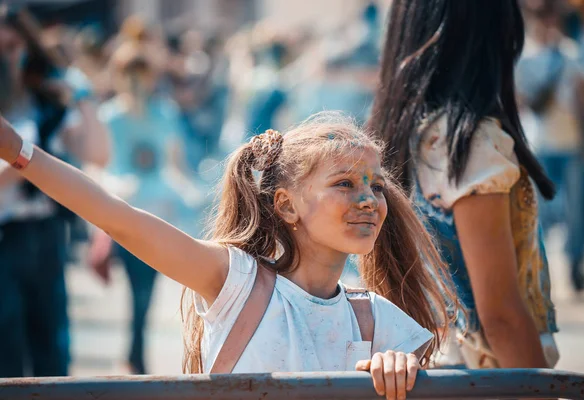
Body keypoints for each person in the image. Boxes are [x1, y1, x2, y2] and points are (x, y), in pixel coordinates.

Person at [0, 109, 457, 398]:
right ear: (286, 205)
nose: (368, 200)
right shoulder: (238, 283)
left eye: (375, 185)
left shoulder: (379, 322)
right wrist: (16, 151)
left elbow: (418, 376)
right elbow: (116, 216)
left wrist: (399, 369)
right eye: (344, 183)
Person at [369, 0, 558, 369]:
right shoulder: (469, 142)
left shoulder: (404, 134)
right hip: (488, 378)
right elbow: (501, 316)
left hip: (429, 370)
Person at [0, 14, 110, 377]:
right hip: (4, 235)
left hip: (45, 232)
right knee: (7, 345)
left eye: (13, 47)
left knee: (52, 344)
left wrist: (82, 95)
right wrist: (20, 163)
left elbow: (97, 153)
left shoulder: (46, 102)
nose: (6, 58)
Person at [90, 40, 200, 374]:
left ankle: (134, 353)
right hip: (125, 211)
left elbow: (176, 162)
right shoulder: (110, 116)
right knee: (137, 287)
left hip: (158, 211)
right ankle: (134, 354)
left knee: (146, 287)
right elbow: (103, 165)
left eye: (142, 74)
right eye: (130, 74)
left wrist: (191, 190)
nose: (137, 82)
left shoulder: (164, 113)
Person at [516, 0, 584, 293]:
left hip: (572, 144)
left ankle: (576, 264)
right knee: (539, 212)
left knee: (576, 211)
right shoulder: (524, 59)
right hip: (539, 146)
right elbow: (518, 104)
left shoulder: (571, 55)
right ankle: (538, 268)